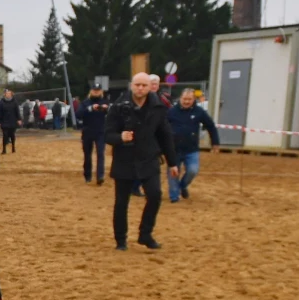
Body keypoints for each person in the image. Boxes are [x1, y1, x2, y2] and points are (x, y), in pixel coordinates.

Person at [105, 73, 179, 251]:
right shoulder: (118, 106)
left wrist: (172, 162)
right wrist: (120, 137)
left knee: (155, 195)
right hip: (124, 160)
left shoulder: (158, 107)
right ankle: (121, 240)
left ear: (150, 87)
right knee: (121, 202)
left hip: (149, 159)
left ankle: (145, 234)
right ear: (131, 85)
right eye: (137, 85)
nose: (140, 88)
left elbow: (165, 136)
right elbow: (107, 134)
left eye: (144, 85)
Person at [167, 88, 220, 203]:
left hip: (191, 149)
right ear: (180, 98)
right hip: (173, 149)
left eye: (189, 99)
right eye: (184, 99)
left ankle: (182, 185)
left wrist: (215, 142)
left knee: (193, 170)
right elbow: (162, 128)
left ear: (193, 99)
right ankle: (174, 197)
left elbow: (210, 126)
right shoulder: (171, 111)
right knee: (173, 173)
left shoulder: (199, 111)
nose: (186, 101)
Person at [78, 87, 111, 185]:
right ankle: (87, 175)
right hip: (88, 131)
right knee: (87, 155)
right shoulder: (85, 102)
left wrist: (107, 109)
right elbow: (78, 114)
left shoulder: (105, 101)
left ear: (101, 91)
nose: (96, 92)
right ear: (91, 91)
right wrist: (90, 109)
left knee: (101, 154)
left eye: (98, 90)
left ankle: (100, 176)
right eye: (94, 90)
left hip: (101, 131)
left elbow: (113, 114)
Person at [0, 88, 21, 154]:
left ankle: (13, 147)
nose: (8, 95)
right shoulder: (1, 102)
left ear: (11, 94)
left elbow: (17, 111)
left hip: (13, 121)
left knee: (12, 134)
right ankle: (4, 149)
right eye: (7, 93)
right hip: (4, 121)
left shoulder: (14, 102)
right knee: (5, 135)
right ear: (5, 94)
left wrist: (19, 119)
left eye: (9, 93)